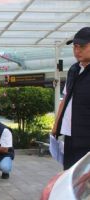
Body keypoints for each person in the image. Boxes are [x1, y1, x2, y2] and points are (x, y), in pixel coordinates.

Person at [52, 27, 90, 170]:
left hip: (86, 139)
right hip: (70, 136)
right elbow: (66, 98)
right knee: (69, 175)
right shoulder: (73, 69)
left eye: (82, 46)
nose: (77, 50)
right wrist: (56, 125)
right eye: (75, 46)